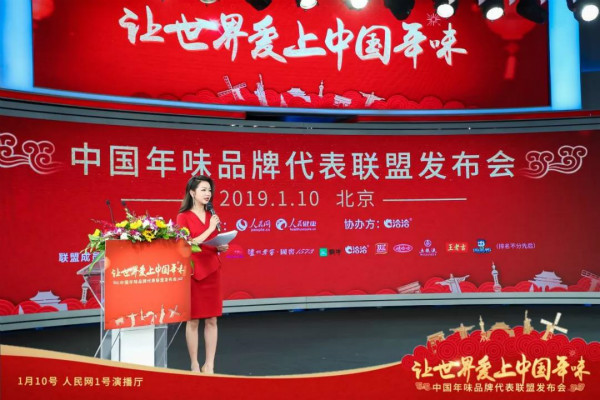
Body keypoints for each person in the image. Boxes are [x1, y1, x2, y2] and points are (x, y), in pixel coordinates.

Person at [176, 175, 228, 374]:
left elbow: (212, 241)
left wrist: (221, 246)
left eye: (209, 190)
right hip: (194, 272)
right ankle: (194, 364)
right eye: (203, 190)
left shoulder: (211, 215)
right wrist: (211, 228)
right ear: (192, 193)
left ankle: (210, 364)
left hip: (213, 270)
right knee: (193, 320)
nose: (208, 194)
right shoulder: (183, 216)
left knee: (212, 319)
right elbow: (189, 243)